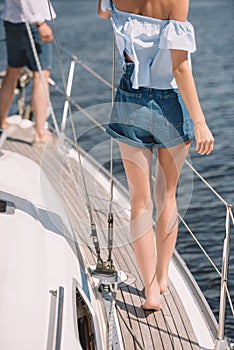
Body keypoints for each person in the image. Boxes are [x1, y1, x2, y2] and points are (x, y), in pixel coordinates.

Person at [98, 0, 214, 310]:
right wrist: (200, 122)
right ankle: (162, 277)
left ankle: (150, 290)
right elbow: (179, 66)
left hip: (130, 98)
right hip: (170, 101)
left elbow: (103, 13)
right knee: (169, 196)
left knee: (140, 200)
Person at [0, 0, 56, 144]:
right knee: (41, 75)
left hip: (12, 19)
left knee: (13, 70)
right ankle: (40, 133)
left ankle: (1, 121)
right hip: (33, 22)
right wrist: (41, 23)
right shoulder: (37, 22)